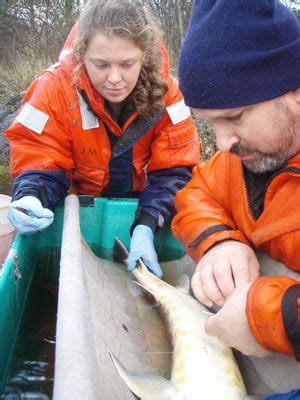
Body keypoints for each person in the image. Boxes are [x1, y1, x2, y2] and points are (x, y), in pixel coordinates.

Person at [5, 0, 200, 278]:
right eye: (101, 65)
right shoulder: (53, 89)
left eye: (127, 64)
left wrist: (147, 224)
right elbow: (38, 157)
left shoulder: (169, 94)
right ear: (82, 55)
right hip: (72, 202)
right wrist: (31, 197)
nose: (114, 78)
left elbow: (175, 171)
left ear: (144, 56)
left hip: (137, 204)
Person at [172, 0, 300, 363]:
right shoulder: (238, 159)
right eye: (210, 123)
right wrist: (218, 242)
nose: (223, 142)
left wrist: (266, 318)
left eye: (235, 117)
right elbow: (197, 193)